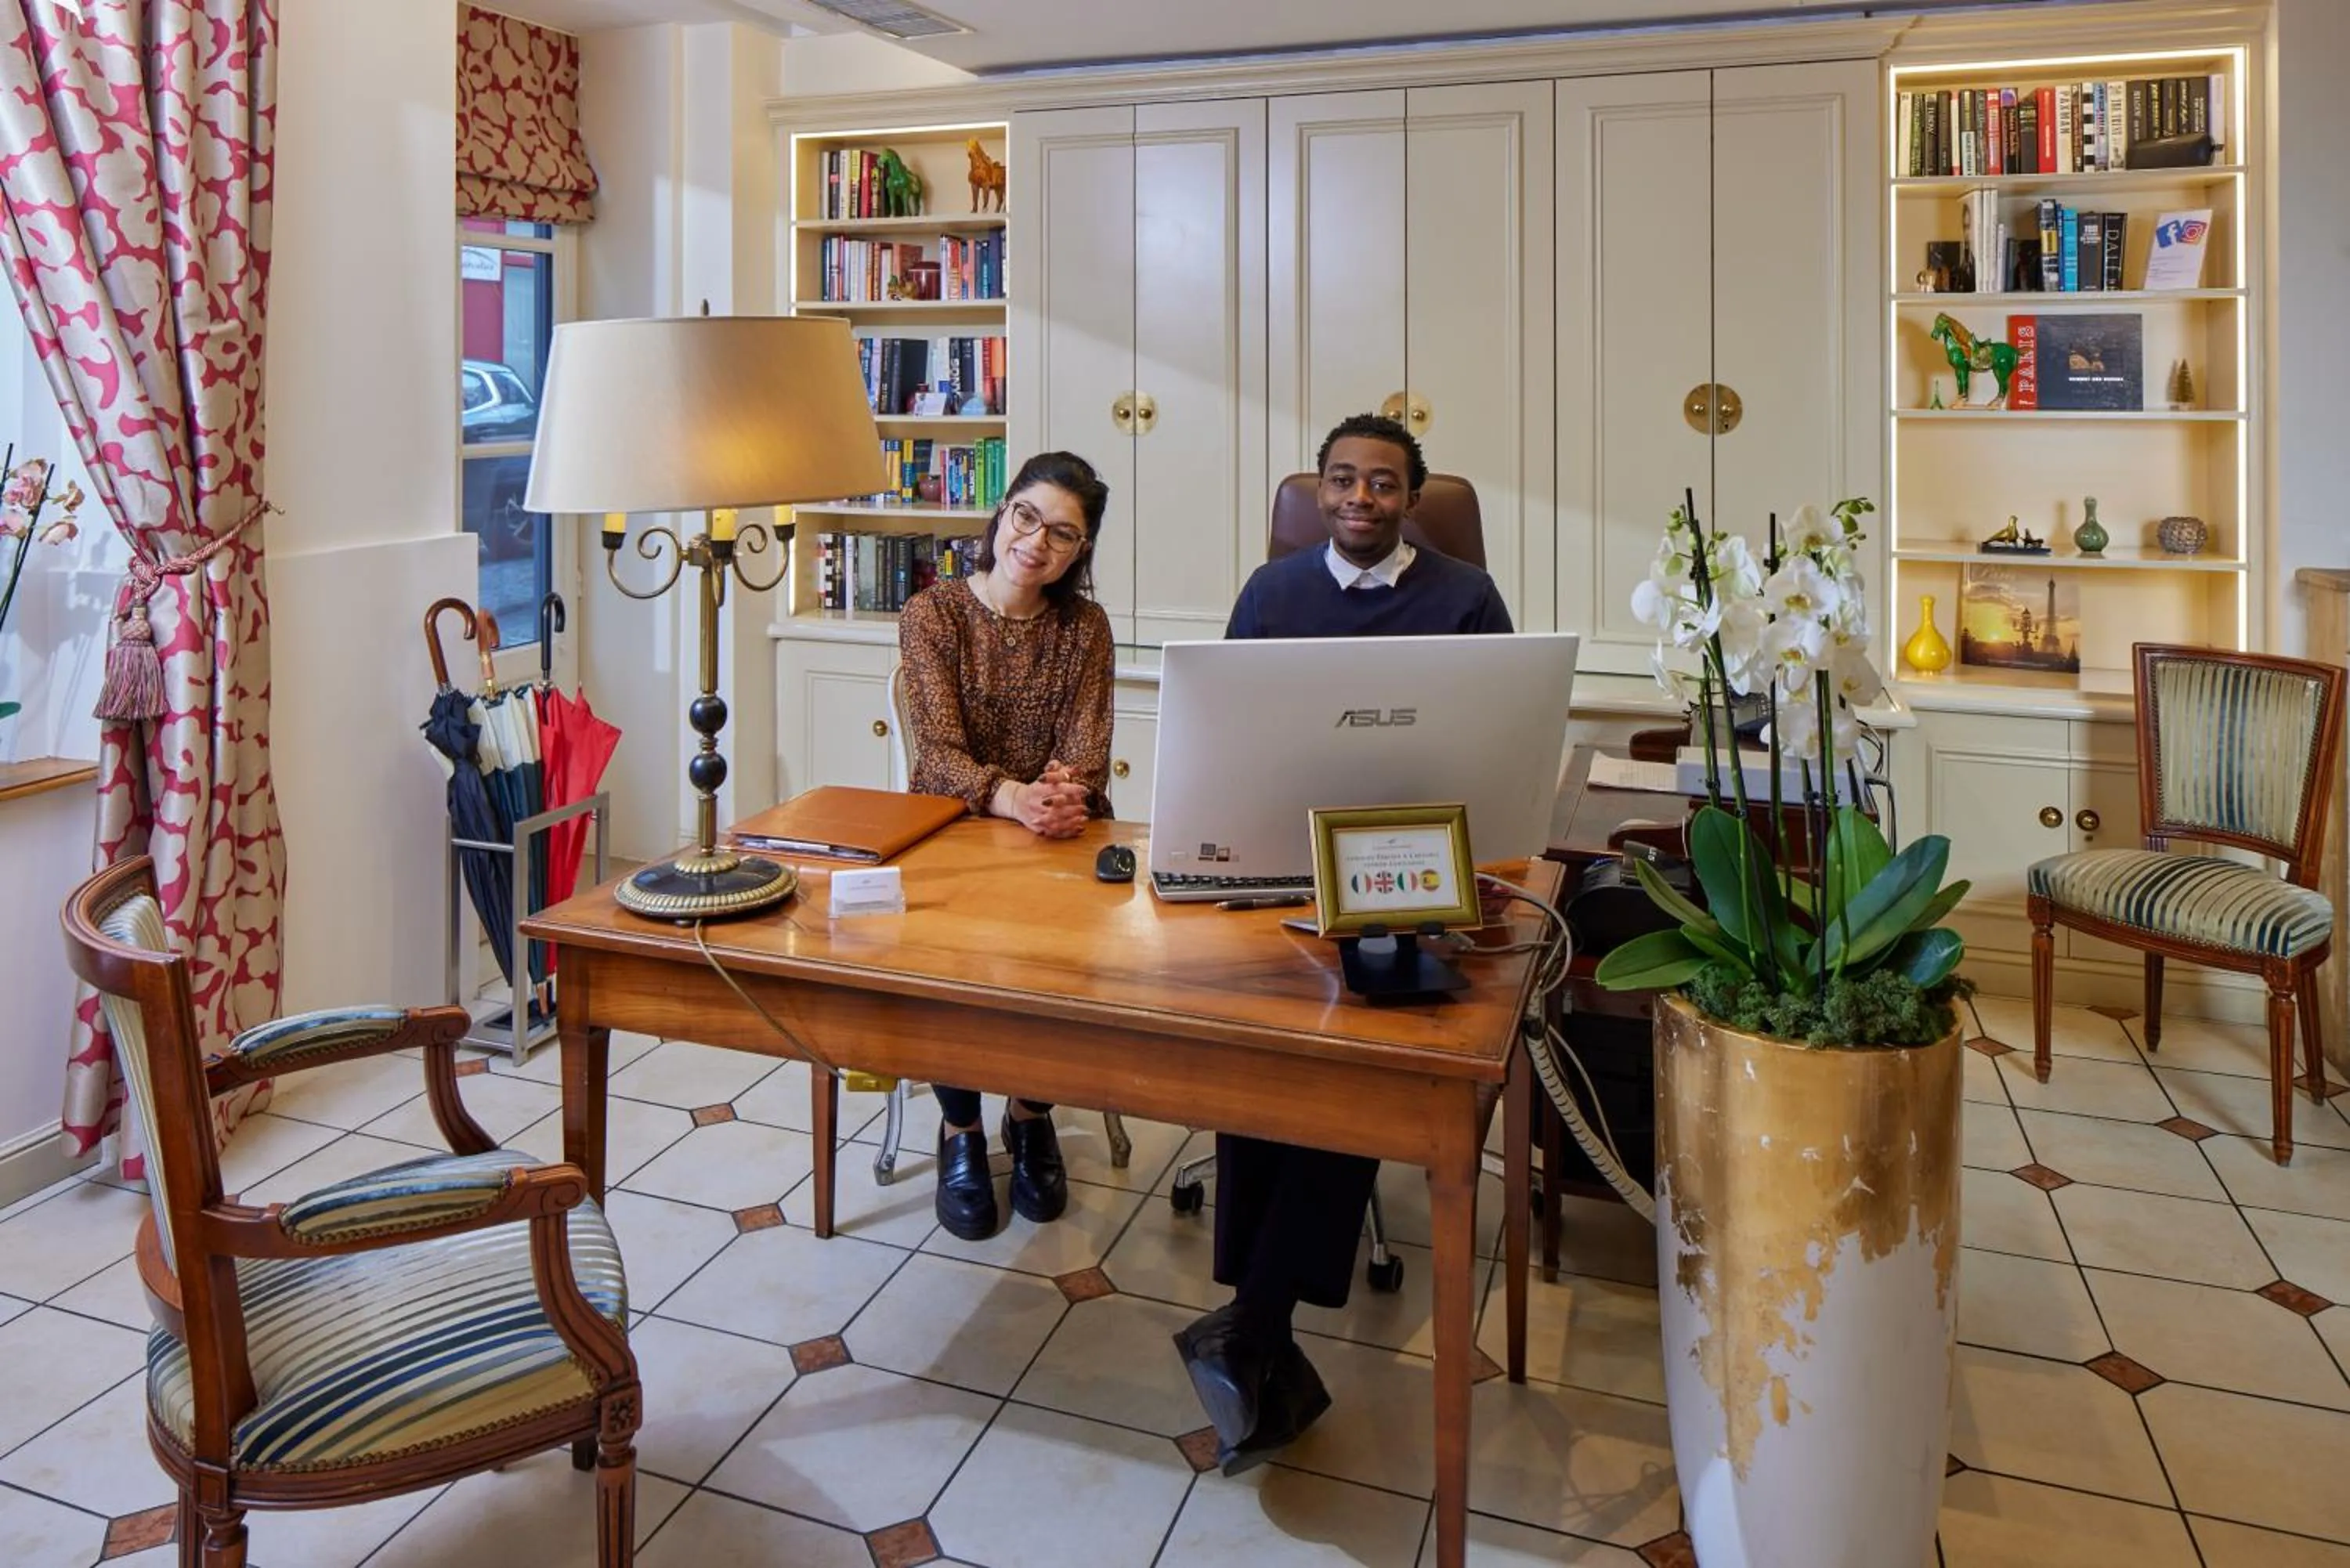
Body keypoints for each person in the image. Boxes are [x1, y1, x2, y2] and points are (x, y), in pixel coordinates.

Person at [1174, 412, 1513, 1475]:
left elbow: (1501, 732)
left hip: (1406, 874)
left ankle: (1255, 1320)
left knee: (1350, 1063)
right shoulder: (1271, 594)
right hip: (1279, 866)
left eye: (1381, 482)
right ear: (1316, 494)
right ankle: (1253, 1325)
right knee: (1256, 1059)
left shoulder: (1464, 596)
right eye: (1340, 480)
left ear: (1414, 497)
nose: (1359, 498)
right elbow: (1223, 732)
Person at [896, 450, 1115, 1241]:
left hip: (1058, 834)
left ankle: (1030, 1111)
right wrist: (1013, 796)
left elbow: (1088, 749)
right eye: (1028, 516)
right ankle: (960, 1127)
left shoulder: (1084, 627)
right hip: (953, 827)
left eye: (1064, 533)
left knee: (1061, 954)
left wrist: (1063, 793)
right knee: (950, 957)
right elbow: (938, 754)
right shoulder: (935, 613)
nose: (1038, 542)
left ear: (1078, 551)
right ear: (1001, 512)